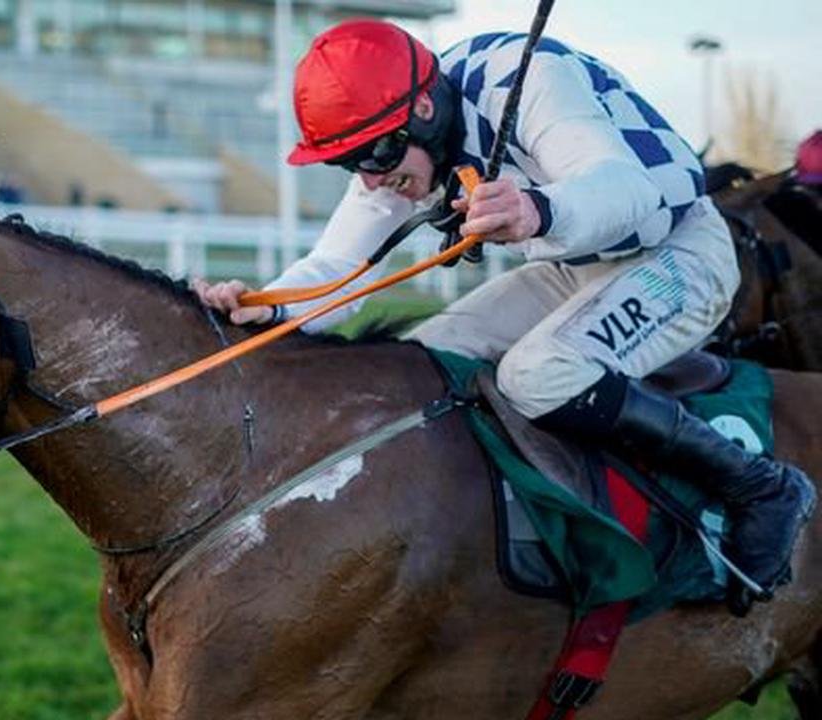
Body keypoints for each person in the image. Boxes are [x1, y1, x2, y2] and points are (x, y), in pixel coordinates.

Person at [193, 19, 815, 616]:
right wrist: (261, 306)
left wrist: (537, 210)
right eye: (351, 162)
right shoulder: (396, 146)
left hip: (680, 253)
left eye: (378, 153)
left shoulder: (525, 76)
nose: (373, 179)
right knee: (423, 362)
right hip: (577, 266)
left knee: (538, 374)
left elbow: (625, 187)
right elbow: (338, 266)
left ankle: (761, 487)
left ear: (425, 108)